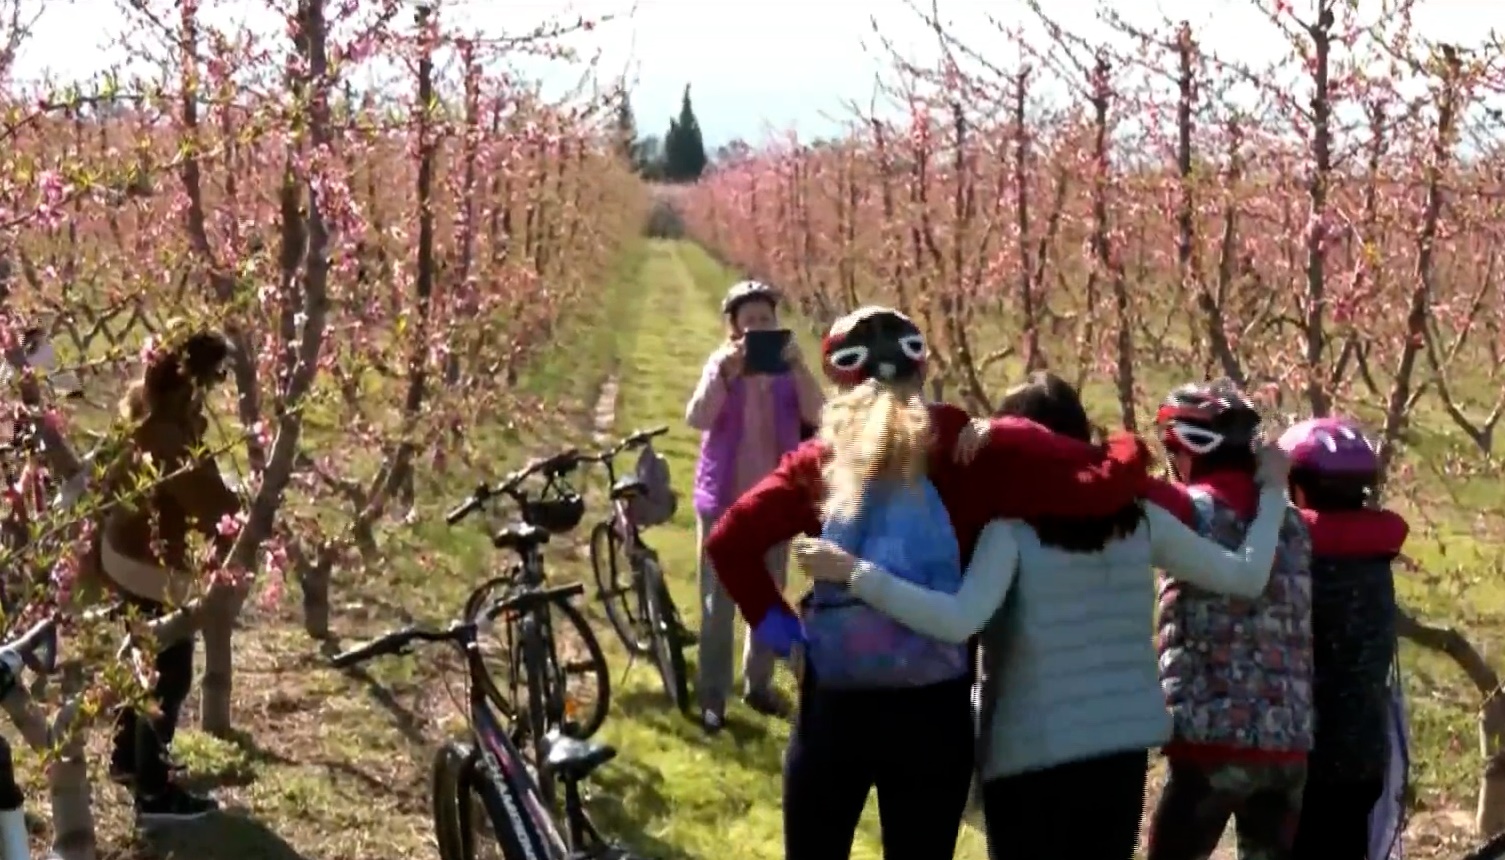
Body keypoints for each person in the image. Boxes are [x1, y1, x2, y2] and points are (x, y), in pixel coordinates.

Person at [704, 307, 1152, 860]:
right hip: (933, 712)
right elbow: (1108, 479)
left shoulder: (819, 464)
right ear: (921, 370)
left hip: (836, 703)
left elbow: (729, 542)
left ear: (840, 383)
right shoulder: (973, 451)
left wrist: (787, 638)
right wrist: (1124, 443)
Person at [796, 371, 1294, 857]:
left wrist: (855, 573)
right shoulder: (1138, 519)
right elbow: (1245, 577)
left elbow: (955, 621)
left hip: (1030, 753)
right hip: (1119, 750)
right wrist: (1273, 491)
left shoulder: (1011, 532)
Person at [1143, 380, 1315, 860]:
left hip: (1208, 740)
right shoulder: (1294, 522)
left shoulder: (1187, 510)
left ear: (1190, 448)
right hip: (1288, 741)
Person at [91, 330, 240, 821]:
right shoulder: (172, 439)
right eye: (215, 378)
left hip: (122, 553)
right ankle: (154, 793)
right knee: (169, 674)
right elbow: (211, 507)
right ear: (190, 384)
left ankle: (126, 759)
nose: (220, 388)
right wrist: (245, 518)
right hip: (147, 565)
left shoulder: (153, 418)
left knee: (142, 658)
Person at [685, 280, 823, 731]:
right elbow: (697, 417)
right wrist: (724, 376)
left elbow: (822, 419)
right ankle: (712, 695)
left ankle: (759, 685)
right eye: (751, 323)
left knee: (767, 595)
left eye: (767, 321)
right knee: (717, 603)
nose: (760, 329)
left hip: (772, 505)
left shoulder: (788, 372)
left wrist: (801, 369)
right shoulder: (721, 366)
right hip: (724, 501)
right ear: (734, 330)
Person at [1275, 418, 1407, 860]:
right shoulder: (1374, 555)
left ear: (1299, 489)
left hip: (1304, 759)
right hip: (1364, 757)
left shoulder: (1299, 558)